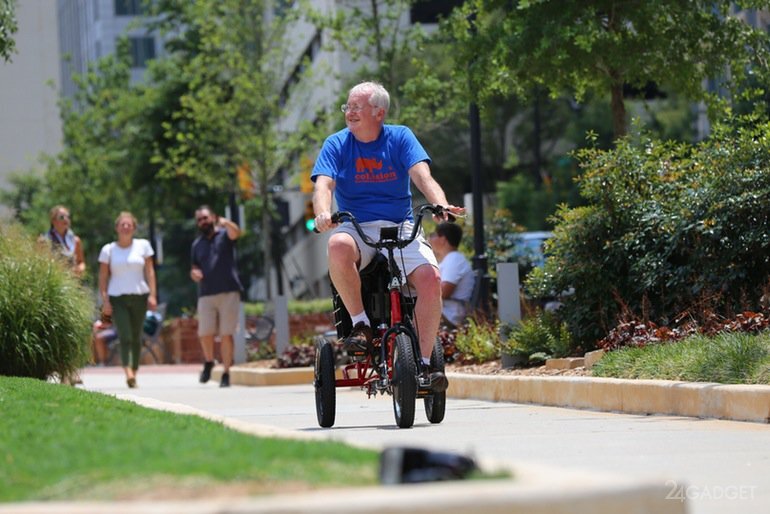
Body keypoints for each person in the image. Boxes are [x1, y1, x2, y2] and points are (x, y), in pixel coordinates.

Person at [311, 81, 464, 392]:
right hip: (356, 225)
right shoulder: (336, 144)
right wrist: (323, 213)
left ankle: (422, 365)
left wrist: (440, 204)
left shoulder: (400, 136)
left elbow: (423, 176)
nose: (349, 113)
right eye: (348, 107)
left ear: (379, 113)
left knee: (430, 278)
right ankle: (361, 325)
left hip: (400, 224)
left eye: (356, 107)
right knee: (337, 244)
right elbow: (323, 185)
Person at [98, 212, 157, 388]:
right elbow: (102, 277)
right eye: (122, 224)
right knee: (125, 335)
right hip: (118, 298)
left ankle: (134, 370)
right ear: (117, 228)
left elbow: (150, 272)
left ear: (134, 228)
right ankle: (128, 372)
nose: (125, 227)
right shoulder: (108, 250)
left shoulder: (143, 246)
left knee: (137, 336)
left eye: (129, 224)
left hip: (139, 296)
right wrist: (105, 300)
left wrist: (153, 295)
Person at [190, 205, 242, 388]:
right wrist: (194, 273)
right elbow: (194, 267)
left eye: (205, 218)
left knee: (227, 334)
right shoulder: (197, 245)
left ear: (213, 217)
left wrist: (226, 222)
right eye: (199, 220)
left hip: (228, 291)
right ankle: (209, 361)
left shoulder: (225, 235)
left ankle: (226, 373)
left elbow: (236, 233)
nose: (202, 222)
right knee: (205, 333)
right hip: (206, 294)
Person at [42, 205, 87, 385]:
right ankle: (58, 370)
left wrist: (79, 269)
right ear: (53, 221)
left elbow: (82, 262)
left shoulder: (75, 240)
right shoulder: (44, 240)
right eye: (61, 217)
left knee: (74, 328)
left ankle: (70, 371)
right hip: (54, 290)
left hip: (73, 289)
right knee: (56, 330)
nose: (66, 220)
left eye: (67, 216)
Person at [430, 222, 475, 328]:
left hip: (449, 316)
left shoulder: (454, 259)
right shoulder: (450, 259)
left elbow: (444, 291)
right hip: (445, 312)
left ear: (443, 239)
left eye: (433, 235)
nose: (430, 239)